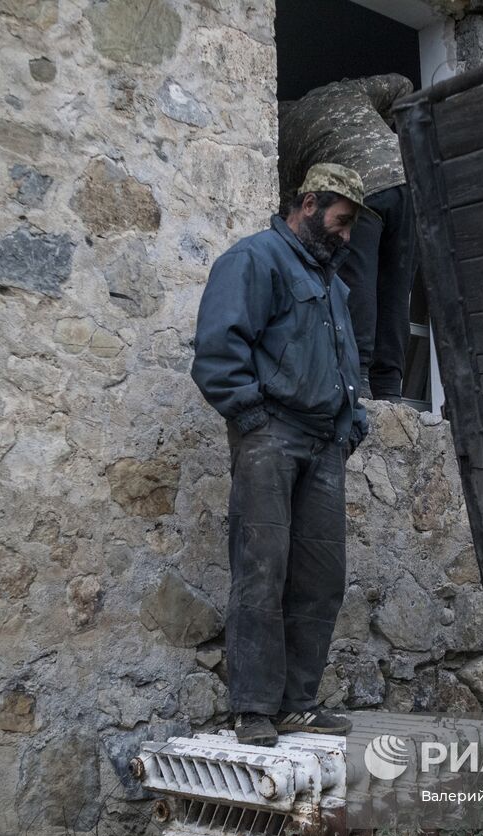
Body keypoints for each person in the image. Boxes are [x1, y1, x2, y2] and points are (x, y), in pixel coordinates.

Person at [191, 163, 371, 747]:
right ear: (310, 202)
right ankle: (254, 708)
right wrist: (253, 420)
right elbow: (219, 349)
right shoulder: (254, 258)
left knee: (321, 578)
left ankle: (297, 704)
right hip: (270, 435)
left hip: (323, 444)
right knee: (261, 569)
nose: (346, 237)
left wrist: (351, 427)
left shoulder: (332, 284)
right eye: (341, 223)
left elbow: (346, 367)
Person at [279, 74, 418, 402]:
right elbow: (403, 85)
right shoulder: (347, 89)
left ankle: (361, 380)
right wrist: (383, 131)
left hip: (357, 192)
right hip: (407, 182)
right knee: (397, 290)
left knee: (357, 282)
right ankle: (390, 388)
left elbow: (293, 211)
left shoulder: (284, 135)